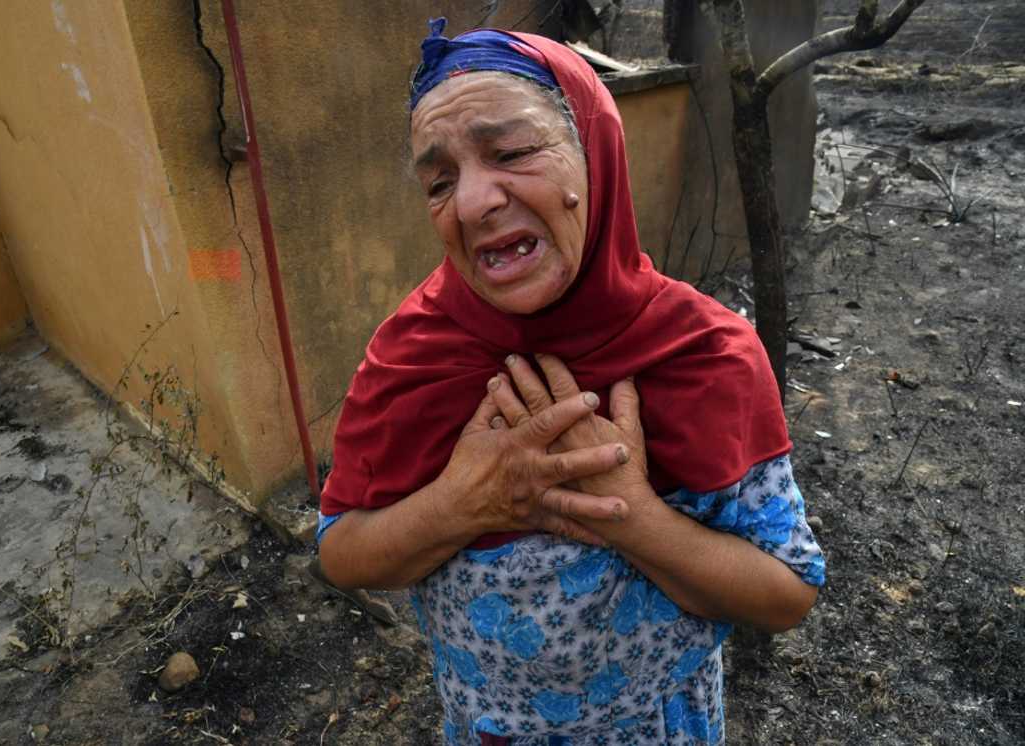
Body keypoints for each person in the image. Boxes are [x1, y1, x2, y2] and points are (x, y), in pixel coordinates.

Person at [317, 19, 825, 745]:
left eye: (512, 151)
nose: (471, 203)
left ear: (597, 152)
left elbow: (786, 594)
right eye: (439, 180)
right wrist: (467, 503)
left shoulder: (705, 352)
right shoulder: (413, 353)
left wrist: (631, 518)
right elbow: (341, 553)